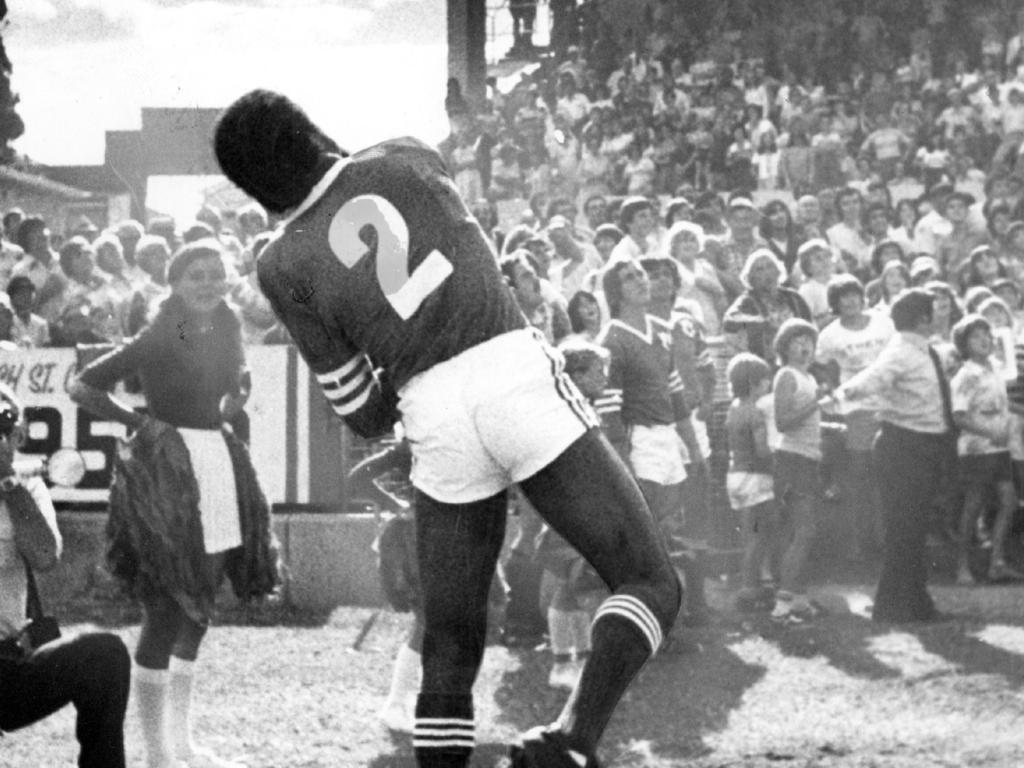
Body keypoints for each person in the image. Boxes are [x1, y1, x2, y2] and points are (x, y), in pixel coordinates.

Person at [213, 89, 680, 768]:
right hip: (510, 368)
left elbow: (359, 411)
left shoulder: (279, 264)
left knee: (450, 646)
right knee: (650, 581)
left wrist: (405, 395)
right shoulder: (404, 154)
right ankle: (571, 736)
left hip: (429, 409)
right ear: (309, 129)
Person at [69, 239, 280, 768]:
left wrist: (241, 389)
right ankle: (157, 752)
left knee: (202, 603)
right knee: (165, 608)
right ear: (175, 283)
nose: (207, 283)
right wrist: (140, 423)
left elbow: (229, 376)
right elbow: (84, 386)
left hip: (216, 462)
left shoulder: (225, 324)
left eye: (215, 273)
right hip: (168, 471)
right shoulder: (169, 328)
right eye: (195, 276)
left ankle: (182, 741)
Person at [0, 382, 132, 768]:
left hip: (7, 659)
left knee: (104, 655)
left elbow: (44, 556)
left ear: (18, 436)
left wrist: (9, 483)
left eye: (4, 430)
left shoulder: (26, 486)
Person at [836, 288, 955, 623]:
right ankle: (893, 605)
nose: (941, 314)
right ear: (922, 319)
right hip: (904, 446)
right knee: (905, 529)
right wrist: (838, 396)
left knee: (912, 529)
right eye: (934, 311)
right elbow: (867, 382)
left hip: (922, 446)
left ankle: (912, 603)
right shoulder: (902, 351)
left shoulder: (919, 349)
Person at [948, 314, 1024, 585]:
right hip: (977, 450)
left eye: (986, 336)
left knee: (1009, 501)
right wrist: (991, 432)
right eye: (976, 337)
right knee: (974, 504)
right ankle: (962, 567)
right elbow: (959, 416)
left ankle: (997, 563)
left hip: (1000, 448)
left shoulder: (994, 368)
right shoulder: (966, 375)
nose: (984, 341)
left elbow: (1002, 406)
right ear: (963, 344)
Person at [770, 319, 828, 622]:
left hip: (808, 458)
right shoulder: (787, 375)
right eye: (797, 341)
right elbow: (783, 422)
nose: (805, 347)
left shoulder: (808, 377)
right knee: (804, 531)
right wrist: (816, 404)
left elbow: (808, 420)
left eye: (809, 341)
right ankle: (782, 603)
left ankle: (799, 599)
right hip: (793, 460)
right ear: (785, 346)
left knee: (802, 531)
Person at [725, 354, 779, 612]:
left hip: (735, 476)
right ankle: (749, 588)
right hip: (755, 477)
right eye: (765, 380)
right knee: (762, 534)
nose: (769, 384)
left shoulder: (734, 407)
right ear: (755, 384)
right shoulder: (756, 412)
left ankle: (759, 581)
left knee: (750, 535)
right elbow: (762, 451)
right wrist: (778, 451)